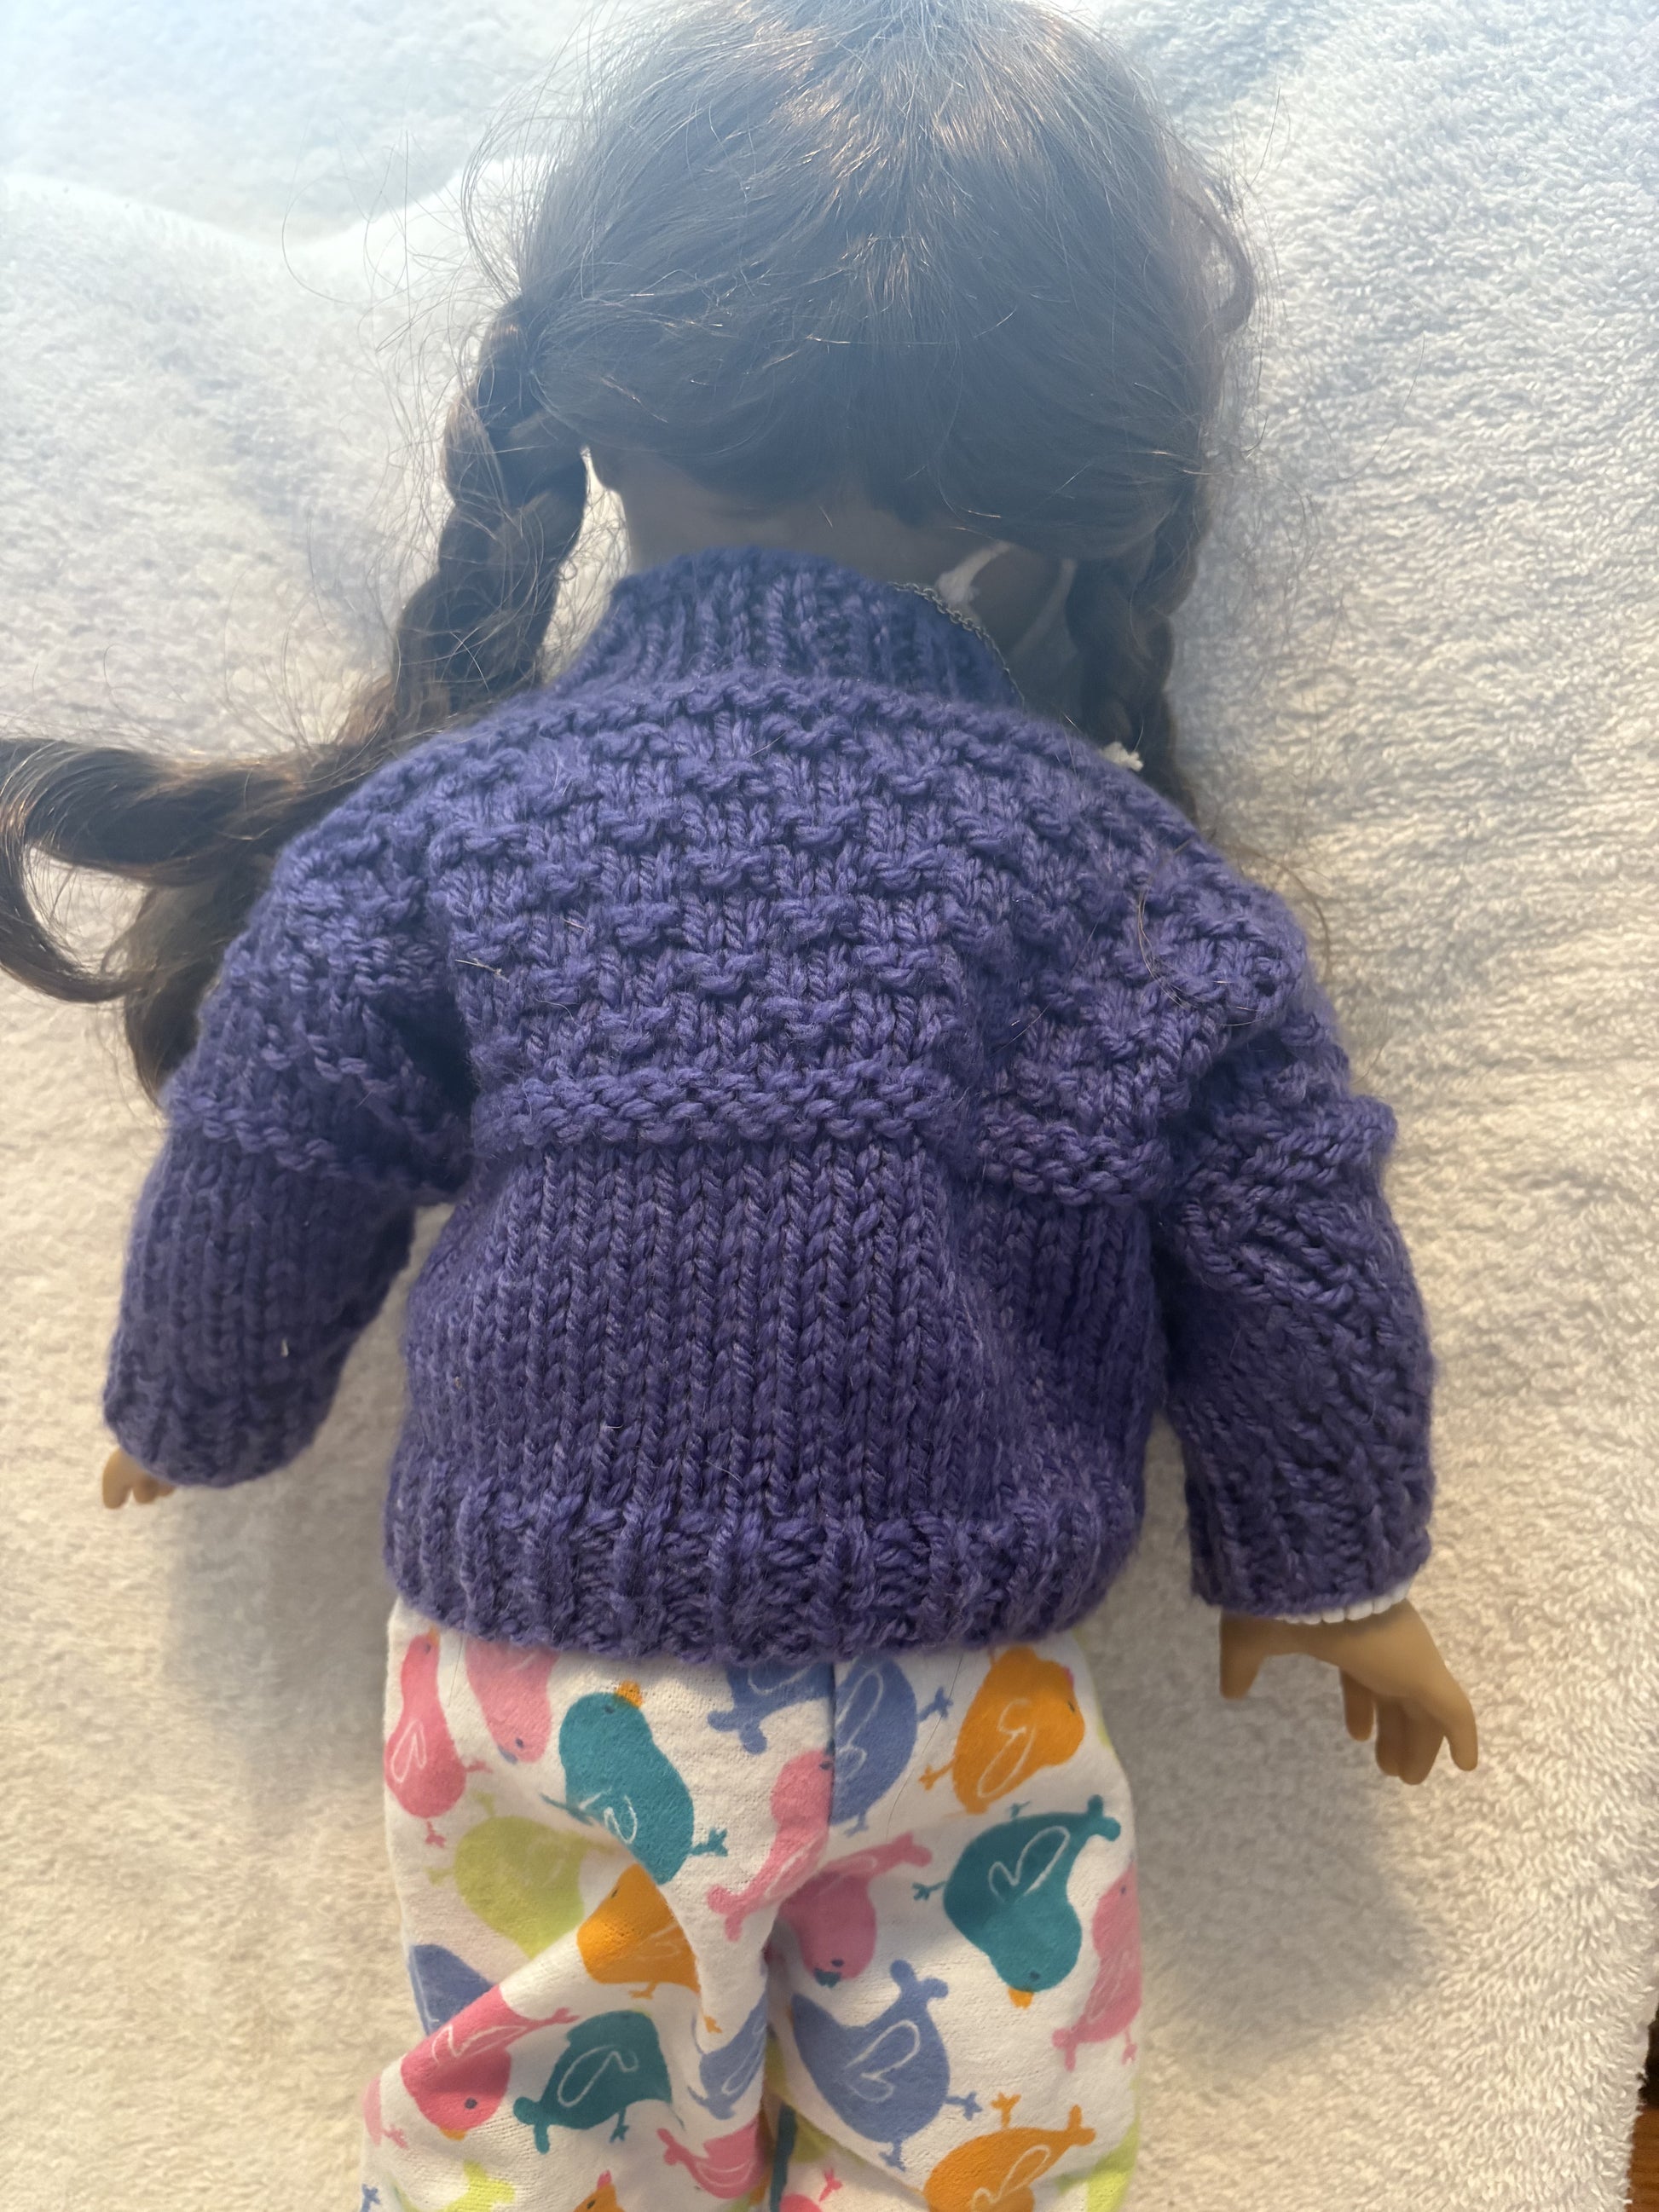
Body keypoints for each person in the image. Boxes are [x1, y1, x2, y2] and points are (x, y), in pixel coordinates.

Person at [0, 0, 1477, 2203]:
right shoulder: (1116, 869)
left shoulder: (459, 822)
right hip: (966, 1689)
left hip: (545, 1676)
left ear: (600, 390)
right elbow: (1283, 1219)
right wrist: (1331, 1560)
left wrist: (198, 1391)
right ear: (1060, 451)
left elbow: (283, 1122)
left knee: (542, 2143)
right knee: (989, 2148)